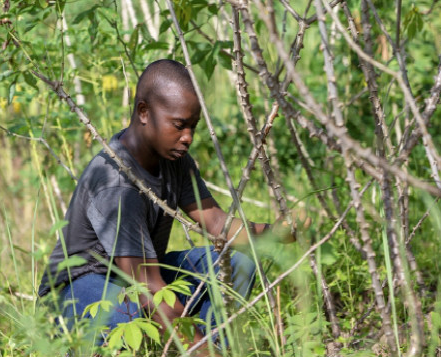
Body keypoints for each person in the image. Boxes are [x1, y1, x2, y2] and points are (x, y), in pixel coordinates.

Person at [38, 59, 282, 354]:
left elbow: (217, 224)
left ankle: (214, 347)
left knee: (238, 262)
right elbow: (150, 289)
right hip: (81, 288)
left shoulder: (176, 162)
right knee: (124, 317)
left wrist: (277, 231)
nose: (188, 137)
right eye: (179, 125)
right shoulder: (115, 183)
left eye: (193, 127)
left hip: (137, 281)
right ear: (144, 112)